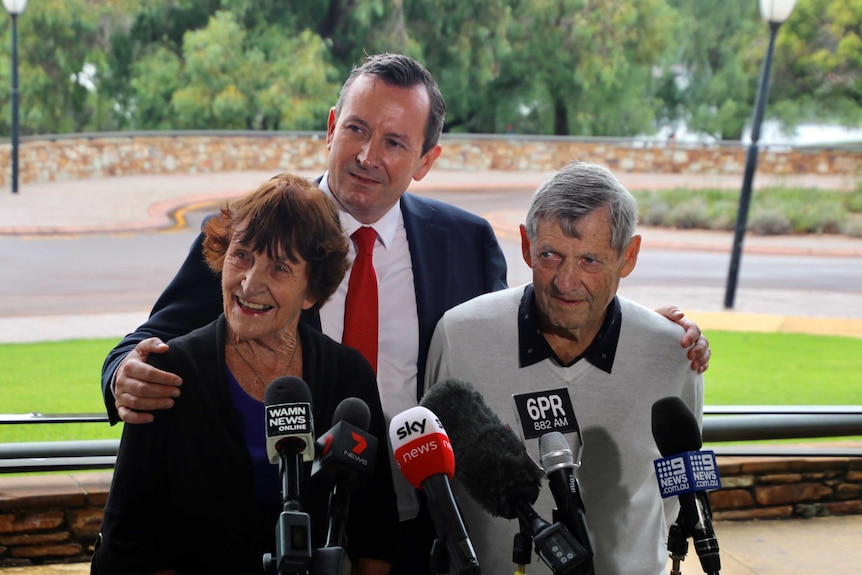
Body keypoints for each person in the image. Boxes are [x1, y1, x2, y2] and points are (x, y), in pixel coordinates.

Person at [100, 54, 709, 574]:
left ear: (425, 159)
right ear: (332, 127)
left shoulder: (465, 242)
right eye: (357, 130)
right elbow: (153, 340)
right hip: (284, 528)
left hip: (426, 527)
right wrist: (125, 370)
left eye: (394, 142)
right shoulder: (258, 233)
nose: (368, 155)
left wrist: (628, 329)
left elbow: (519, 334)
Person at [92, 173, 398, 574]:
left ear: (312, 290)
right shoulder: (170, 374)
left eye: (280, 267)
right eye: (242, 255)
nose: (251, 283)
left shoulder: (348, 376)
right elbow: (129, 541)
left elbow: (375, 533)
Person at [424, 161, 704, 575]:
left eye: (590, 259)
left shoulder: (673, 351)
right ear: (525, 245)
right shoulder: (459, 335)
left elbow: (675, 487)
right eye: (550, 255)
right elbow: (434, 481)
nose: (566, 282)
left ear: (628, 256)